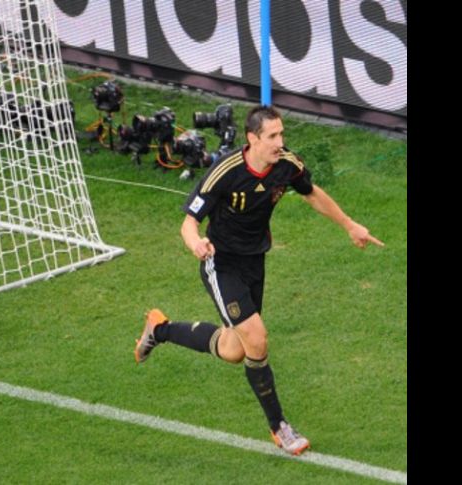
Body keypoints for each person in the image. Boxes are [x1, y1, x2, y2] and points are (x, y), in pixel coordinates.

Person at [133, 105, 384, 456]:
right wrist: (196, 244)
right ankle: (280, 427)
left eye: (282, 134)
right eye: (272, 136)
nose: (280, 142)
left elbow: (311, 192)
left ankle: (158, 330)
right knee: (257, 339)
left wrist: (350, 225)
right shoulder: (225, 172)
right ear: (253, 139)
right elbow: (189, 221)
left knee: (235, 350)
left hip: (254, 262)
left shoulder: (286, 165)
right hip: (220, 262)